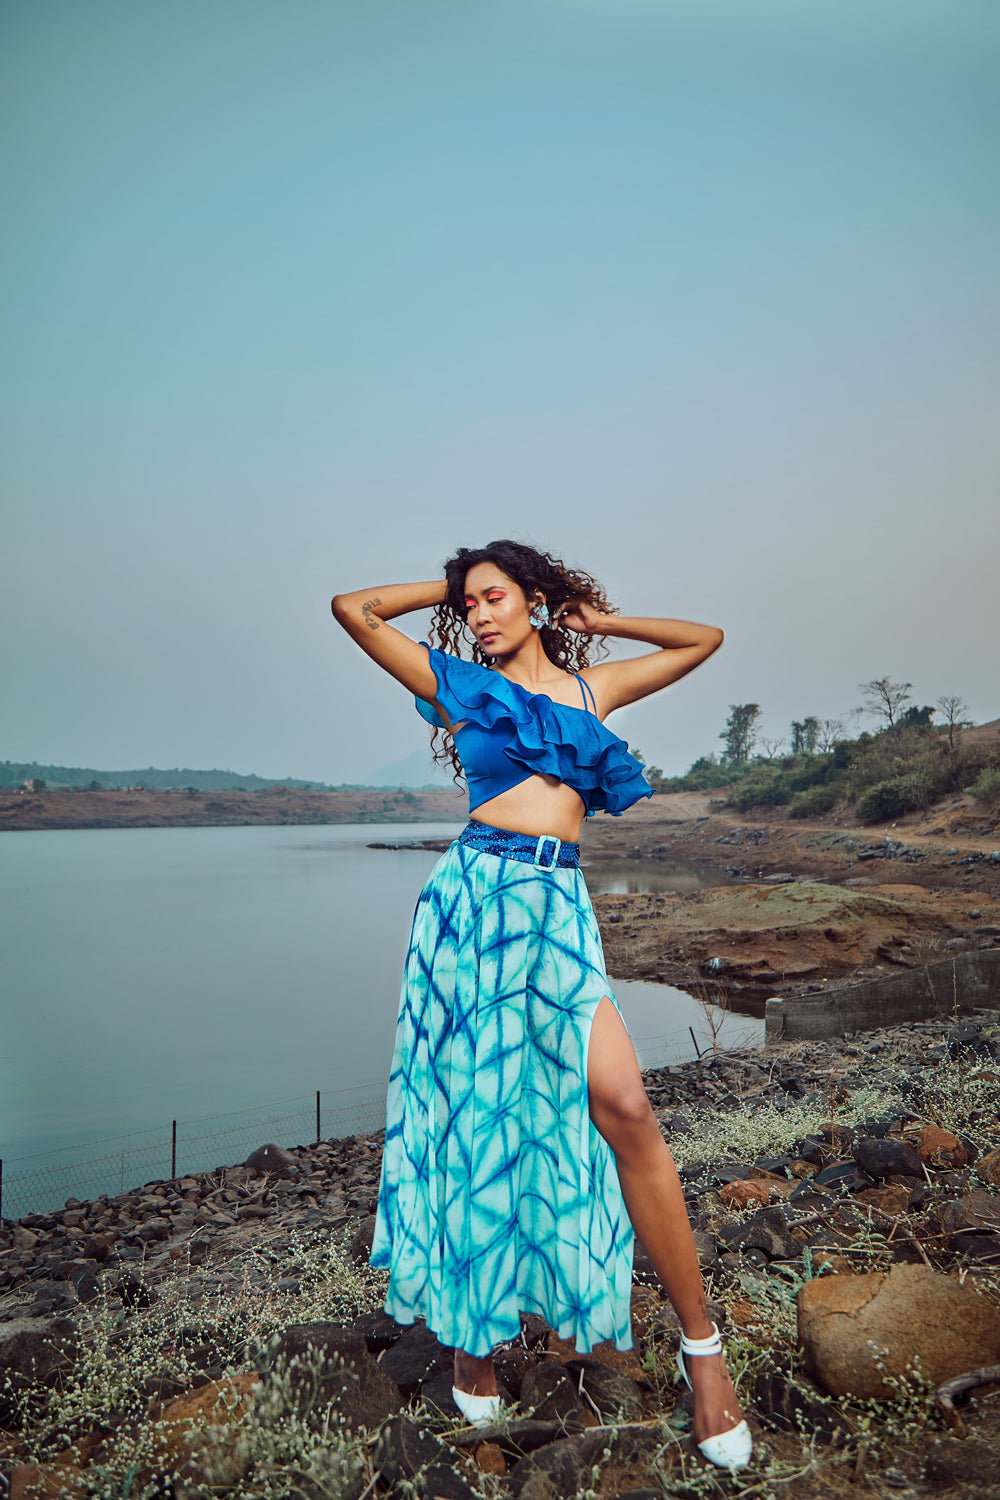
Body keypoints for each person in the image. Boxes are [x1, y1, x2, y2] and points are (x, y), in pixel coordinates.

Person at [331, 539, 752, 1470]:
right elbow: (352, 609)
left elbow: (703, 639)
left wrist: (598, 621)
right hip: (472, 904)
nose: (479, 615)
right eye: (468, 604)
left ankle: (704, 1352)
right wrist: (449, 581)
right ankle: (471, 1344)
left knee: (626, 1107)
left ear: (533, 600)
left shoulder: (592, 691)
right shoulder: (455, 683)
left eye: (495, 597)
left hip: (557, 907)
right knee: (477, 1118)